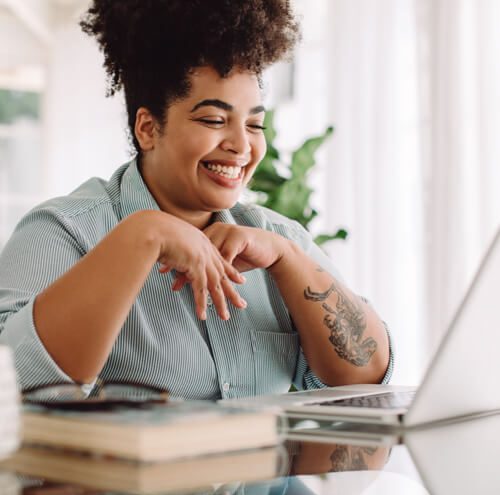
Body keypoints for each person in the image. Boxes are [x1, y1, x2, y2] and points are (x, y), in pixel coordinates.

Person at [0, 0, 393, 398]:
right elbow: (12, 383)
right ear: (148, 128)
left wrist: (289, 262)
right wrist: (143, 235)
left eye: (254, 124)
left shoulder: (276, 238)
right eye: (213, 120)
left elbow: (366, 377)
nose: (242, 146)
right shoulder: (63, 231)